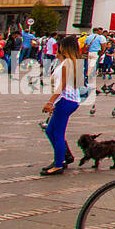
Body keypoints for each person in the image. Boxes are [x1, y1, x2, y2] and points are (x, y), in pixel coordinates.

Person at [40, 36, 82, 175]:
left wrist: (50, 102)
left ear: (64, 47)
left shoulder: (67, 63)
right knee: (50, 131)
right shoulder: (68, 62)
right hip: (67, 101)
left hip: (65, 100)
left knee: (57, 133)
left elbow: (62, 86)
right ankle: (61, 158)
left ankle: (59, 164)